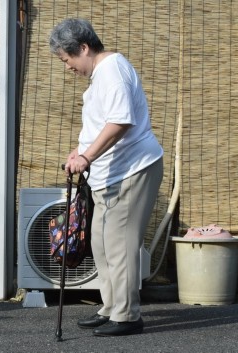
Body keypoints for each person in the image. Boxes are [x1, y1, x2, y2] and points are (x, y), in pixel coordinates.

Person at [49, 18, 163, 336]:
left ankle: (127, 316)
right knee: (100, 243)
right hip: (107, 174)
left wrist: (87, 156)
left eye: (66, 58)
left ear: (83, 48)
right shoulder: (101, 75)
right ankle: (111, 306)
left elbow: (119, 122)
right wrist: (79, 152)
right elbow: (101, 125)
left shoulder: (112, 69)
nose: (67, 66)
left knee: (120, 245)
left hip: (132, 170)